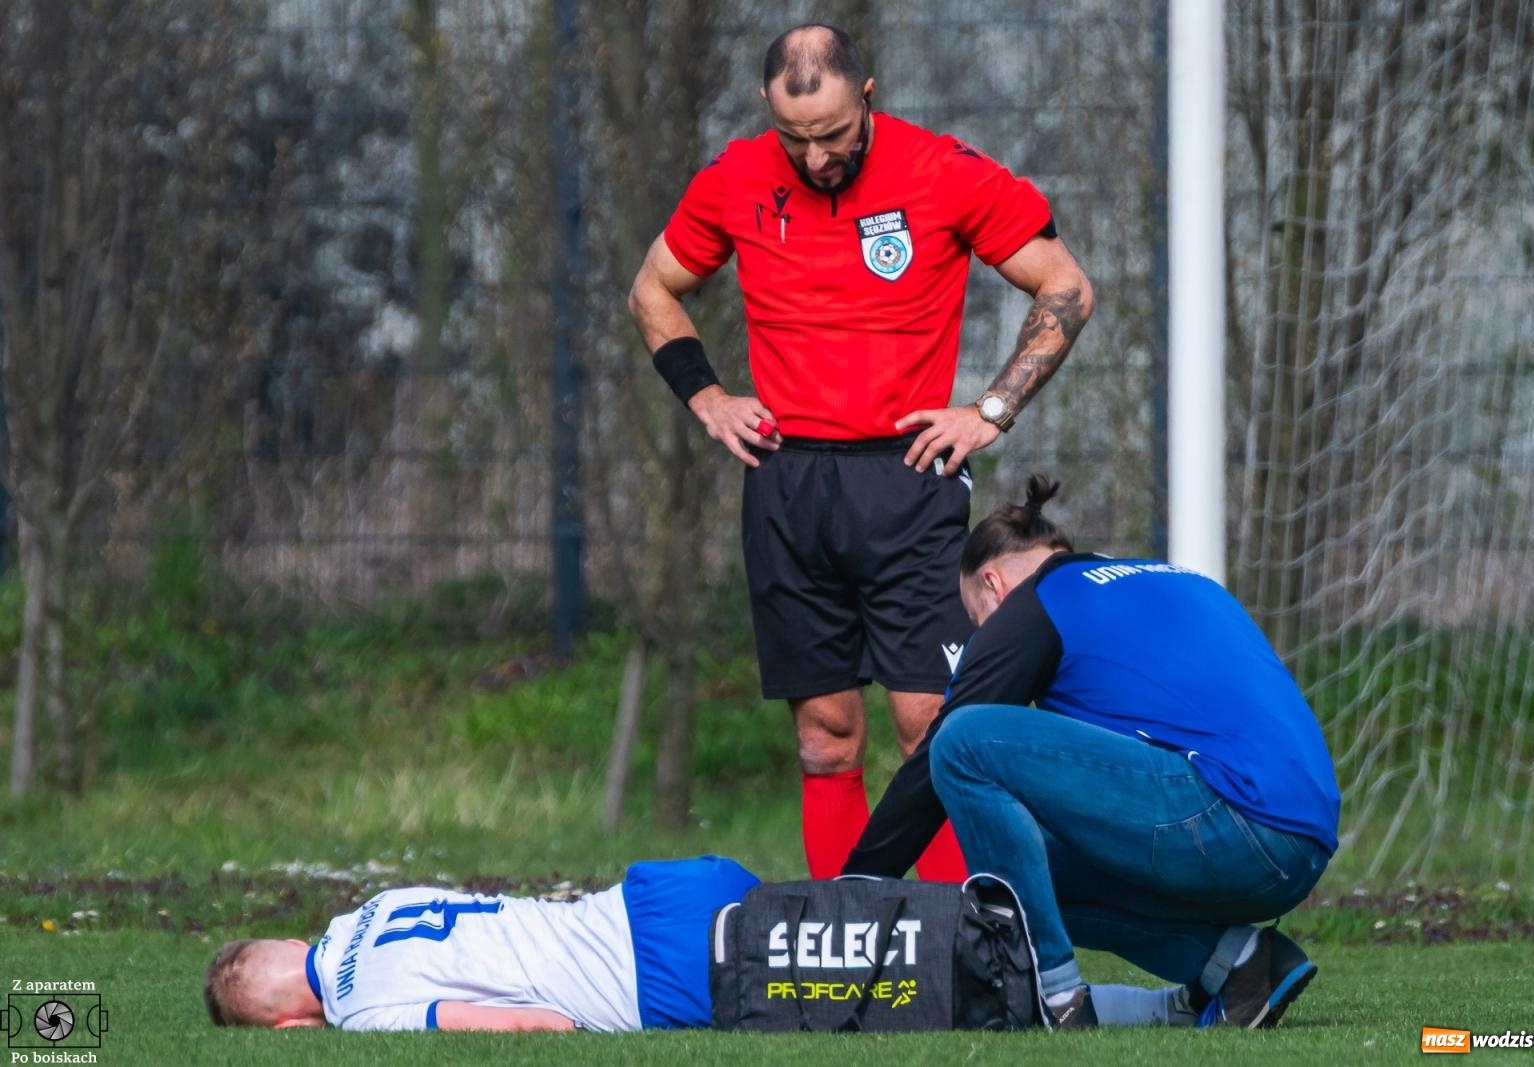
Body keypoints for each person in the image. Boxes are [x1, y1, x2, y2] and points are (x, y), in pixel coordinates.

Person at [628, 23, 1093, 883]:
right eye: (794, 139)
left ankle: (964, 942)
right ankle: (848, 957)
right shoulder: (734, 179)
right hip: (787, 485)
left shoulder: (943, 173)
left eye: (834, 136)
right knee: (824, 734)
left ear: (868, 97)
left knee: (934, 726)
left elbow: (1066, 284)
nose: (814, 160)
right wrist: (709, 397)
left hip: (910, 480)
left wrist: (991, 410)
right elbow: (653, 287)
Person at [841, 476, 1342, 1030]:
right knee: (1027, 874)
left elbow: (943, 751)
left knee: (964, 740)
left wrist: (856, 887)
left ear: (993, 583)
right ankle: (1241, 966)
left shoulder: (1036, 602)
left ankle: (1054, 999)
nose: (984, 635)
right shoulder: (1166, 576)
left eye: (977, 619)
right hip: (1303, 843)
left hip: (1233, 821)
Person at [202, 855, 758, 1031]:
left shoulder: (361, 1011)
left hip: (658, 976)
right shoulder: (372, 907)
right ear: (295, 940)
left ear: (291, 1025)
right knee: (832, 910)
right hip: (664, 889)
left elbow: (527, 1024)